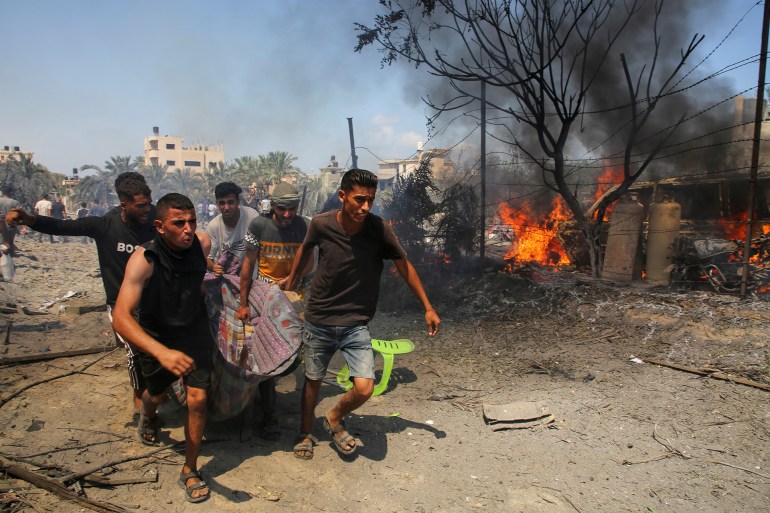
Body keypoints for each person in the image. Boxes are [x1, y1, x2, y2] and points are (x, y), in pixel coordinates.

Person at [284, 169, 440, 460]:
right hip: (319, 317)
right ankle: (305, 431)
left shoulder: (378, 229)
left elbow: (404, 266)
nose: (365, 207)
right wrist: (291, 283)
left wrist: (428, 307)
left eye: (370, 200)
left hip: (356, 322)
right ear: (343, 196)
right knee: (313, 380)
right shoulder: (321, 224)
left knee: (365, 387)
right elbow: (304, 251)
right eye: (359, 200)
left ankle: (333, 416)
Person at [7, 176, 156, 421]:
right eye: (141, 206)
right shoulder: (104, 225)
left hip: (154, 300)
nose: (147, 210)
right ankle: (140, 401)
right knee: (135, 351)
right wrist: (30, 220)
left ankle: (158, 392)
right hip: (121, 305)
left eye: (149, 204)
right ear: (123, 204)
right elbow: (64, 227)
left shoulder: (154, 221)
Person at [112, 193, 213, 503]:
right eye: (178, 223)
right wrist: (161, 352)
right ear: (159, 226)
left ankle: (190, 469)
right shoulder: (145, 259)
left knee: (197, 399)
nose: (188, 229)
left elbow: (196, 279)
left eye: (192, 221)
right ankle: (149, 414)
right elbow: (120, 317)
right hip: (156, 337)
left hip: (194, 331)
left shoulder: (203, 242)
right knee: (154, 393)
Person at [234, 182, 310, 440]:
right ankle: (268, 416)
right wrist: (243, 303)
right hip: (265, 297)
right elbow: (247, 266)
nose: (287, 215)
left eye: (291, 209)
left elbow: (308, 260)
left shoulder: (303, 226)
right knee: (265, 355)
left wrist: (291, 278)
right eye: (281, 209)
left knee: (291, 355)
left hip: (293, 298)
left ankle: (271, 407)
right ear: (272, 206)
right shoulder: (259, 226)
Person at [204, 182, 259, 276]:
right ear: (217, 204)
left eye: (230, 202)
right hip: (227, 277)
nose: (226, 207)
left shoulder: (252, 217)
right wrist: (213, 267)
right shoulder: (213, 226)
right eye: (222, 203)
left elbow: (261, 249)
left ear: (238, 202)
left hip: (251, 276)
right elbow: (208, 258)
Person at [0, 187, 20, 255]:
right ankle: (10, 256)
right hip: (10, 224)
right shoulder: (15, 202)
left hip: (1, 224)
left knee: (2, 241)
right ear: (10, 193)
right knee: (10, 242)